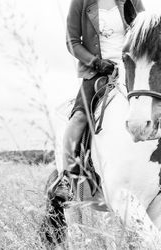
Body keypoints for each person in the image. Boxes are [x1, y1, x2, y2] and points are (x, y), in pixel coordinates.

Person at [54, 0, 145, 201]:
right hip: (98, 72)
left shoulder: (132, 1)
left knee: (160, 103)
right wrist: (95, 62)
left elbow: (145, 29)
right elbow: (72, 41)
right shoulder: (80, 2)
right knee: (78, 118)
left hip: (132, 70)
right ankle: (67, 179)